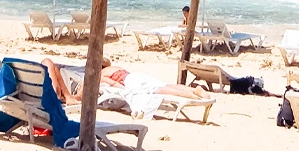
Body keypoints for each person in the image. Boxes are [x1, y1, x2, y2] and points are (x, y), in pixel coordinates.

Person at [43, 57, 208, 104]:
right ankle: (191, 90)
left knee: (159, 89)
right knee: (162, 85)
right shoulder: (109, 69)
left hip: (129, 81)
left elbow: (110, 83)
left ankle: (191, 93)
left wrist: (119, 87)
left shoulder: (100, 73)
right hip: (133, 76)